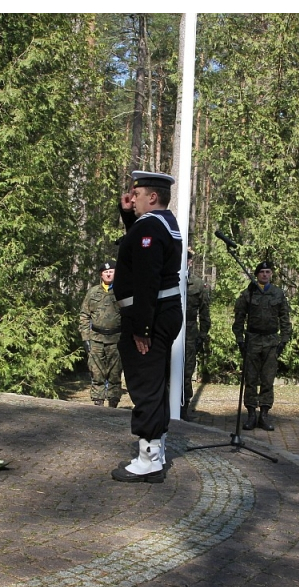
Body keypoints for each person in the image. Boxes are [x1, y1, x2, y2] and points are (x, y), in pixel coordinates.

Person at [109, 170, 183, 484]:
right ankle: (156, 452)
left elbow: (147, 276)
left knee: (144, 386)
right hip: (162, 312)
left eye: (136, 195)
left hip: (150, 315)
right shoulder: (162, 223)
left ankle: (148, 460)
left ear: (151, 197)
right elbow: (140, 254)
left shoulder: (151, 225)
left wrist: (142, 328)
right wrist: (127, 215)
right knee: (153, 384)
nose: (133, 198)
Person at [233, 261, 292, 431]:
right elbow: (239, 319)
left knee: (268, 379)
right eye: (262, 272)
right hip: (252, 340)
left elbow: (285, 319)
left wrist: (284, 340)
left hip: (271, 341)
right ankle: (251, 414)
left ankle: (264, 415)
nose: (265, 275)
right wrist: (240, 340)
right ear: (257, 274)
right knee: (250, 379)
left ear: (271, 274)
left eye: (268, 272)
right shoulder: (248, 293)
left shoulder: (278, 294)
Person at [79, 260, 123, 408]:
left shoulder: (122, 291)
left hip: (116, 339)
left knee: (115, 374)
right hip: (96, 339)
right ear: (101, 275)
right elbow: (84, 315)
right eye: (105, 272)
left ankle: (113, 403)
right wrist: (86, 338)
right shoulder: (93, 292)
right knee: (96, 373)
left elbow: (130, 316)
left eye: (111, 271)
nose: (108, 274)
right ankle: (98, 403)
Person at [182, 248, 211, 421]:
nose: (184, 263)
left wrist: (202, 335)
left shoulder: (198, 284)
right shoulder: (167, 281)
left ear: (191, 262)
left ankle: (184, 408)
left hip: (190, 332)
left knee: (187, 370)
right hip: (169, 331)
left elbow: (204, 312)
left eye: (187, 260)